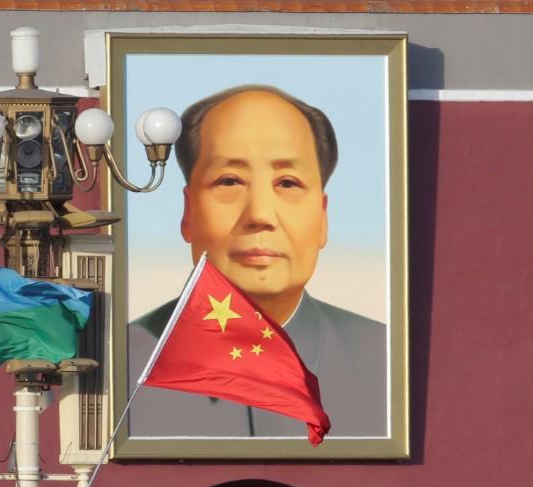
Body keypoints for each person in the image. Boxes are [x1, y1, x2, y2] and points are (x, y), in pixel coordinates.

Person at [128, 85, 387, 438]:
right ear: (188, 213)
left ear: (323, 218)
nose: (261, 215)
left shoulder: (384, 361)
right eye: (230, 181)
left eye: (288, 183)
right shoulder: (127, 360)